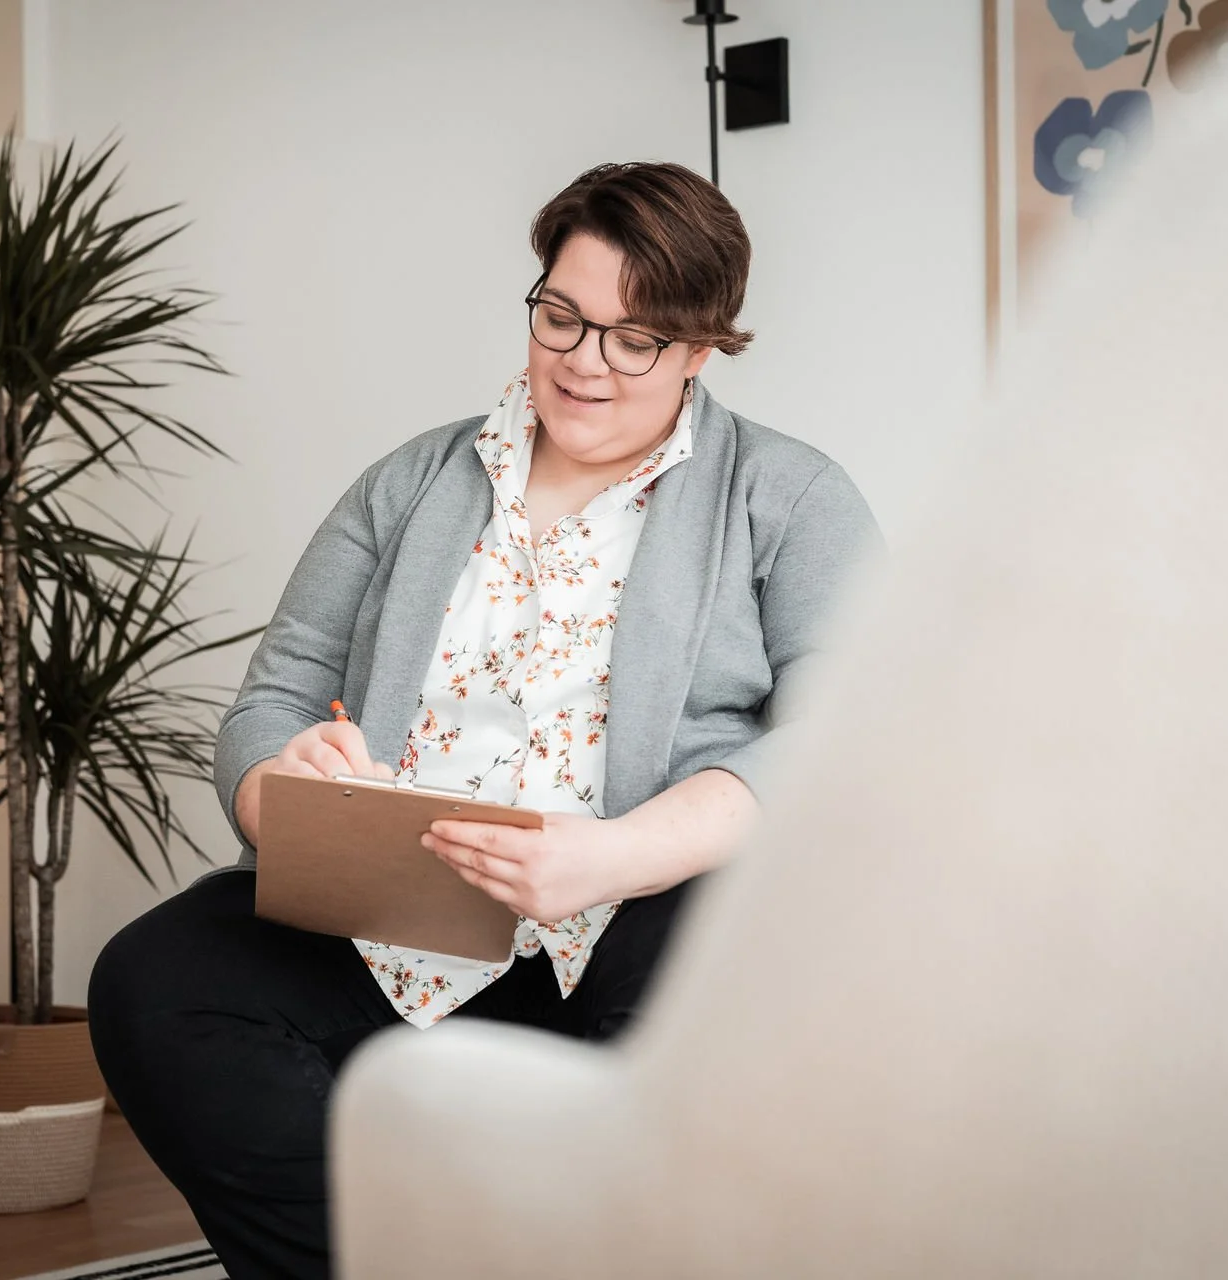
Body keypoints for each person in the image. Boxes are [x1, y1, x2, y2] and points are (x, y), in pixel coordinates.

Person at [87, 160, 881, 1280]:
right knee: (156, 980)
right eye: (561, 316)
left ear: (702, 347)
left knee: (720, 985)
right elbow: (270, 699)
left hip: (631, 923)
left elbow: (846, 733)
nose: (582, 362)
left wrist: (612, 857)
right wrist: (285, 789)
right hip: (394, 918)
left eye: (633, 336)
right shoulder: (411, 480)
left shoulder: (791, 497)